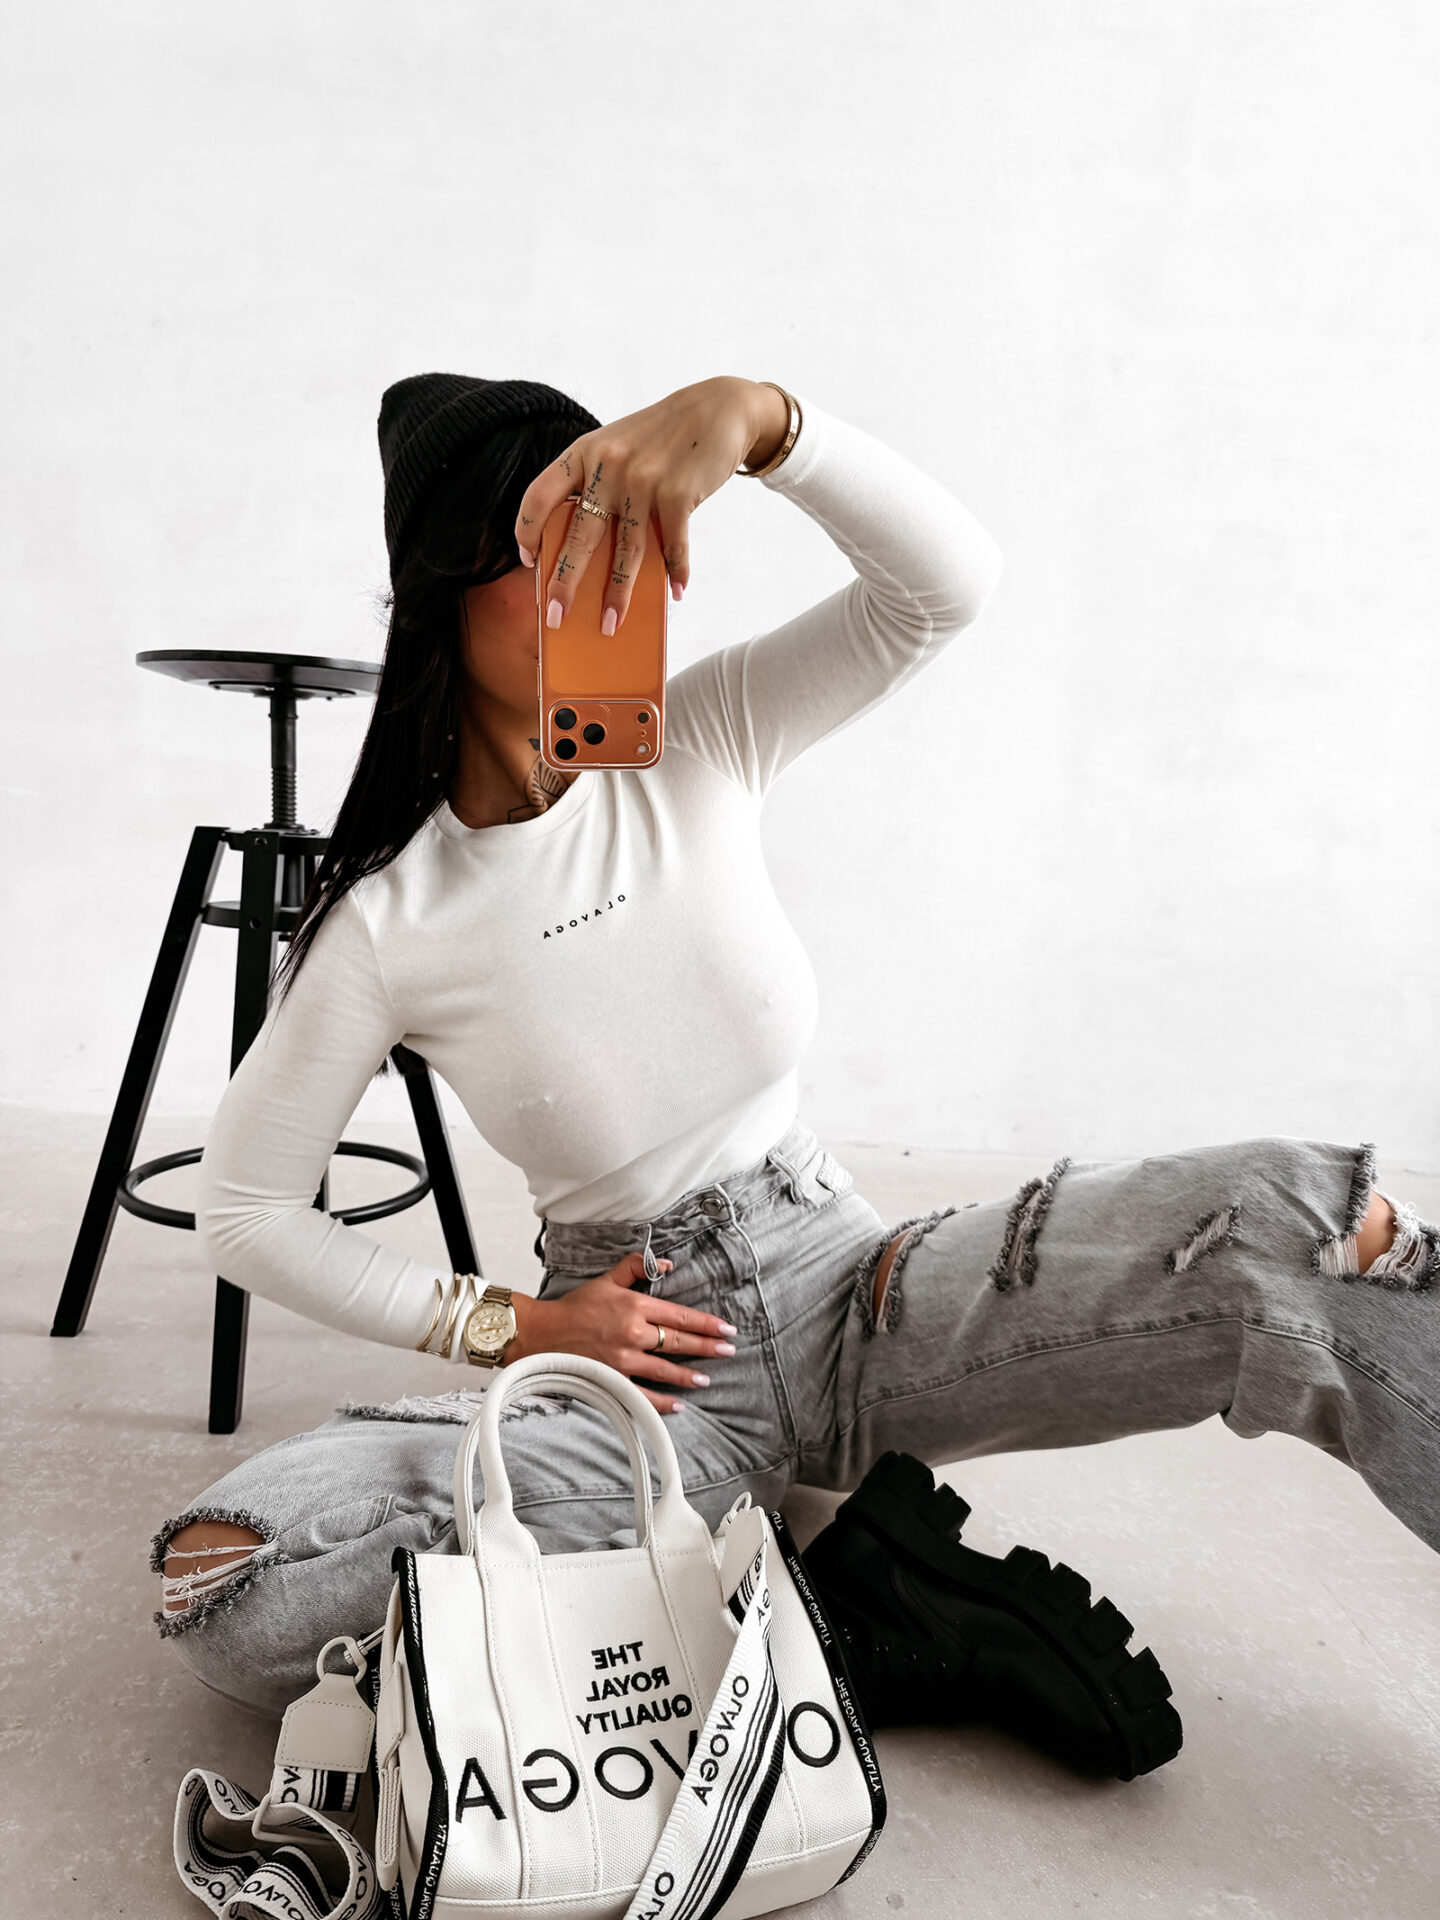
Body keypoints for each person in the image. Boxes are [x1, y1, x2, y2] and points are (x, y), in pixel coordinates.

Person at [151, 372, 1438, 1783]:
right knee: (236, 1583)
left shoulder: (703, 737)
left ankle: (772, 1580)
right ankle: (842, 1590)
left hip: (859, 1293)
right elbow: (247, 1208)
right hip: (649, 1370)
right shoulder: (390, 920)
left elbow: (944, 589)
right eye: (556, 550)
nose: (608, 586)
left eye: (621, 543)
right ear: (442, 594)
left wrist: (766, 422)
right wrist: (515, 1327)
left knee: (1302, 1229)